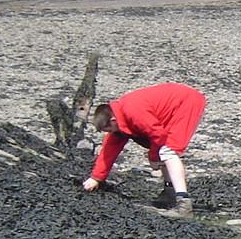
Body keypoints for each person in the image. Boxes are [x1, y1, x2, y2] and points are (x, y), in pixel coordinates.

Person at [81, 82, 207, 216]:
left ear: (112, 120)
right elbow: (108, 151)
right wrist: (96, 178)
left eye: (108, 129)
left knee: (168, 151)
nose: (109, 133)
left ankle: (184, 206)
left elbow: (158, 134)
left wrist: (152, 157)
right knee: (162, 150)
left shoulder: (133, 112)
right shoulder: (119, 121)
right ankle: (170, 194)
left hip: (186, 103)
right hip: (173, 106)